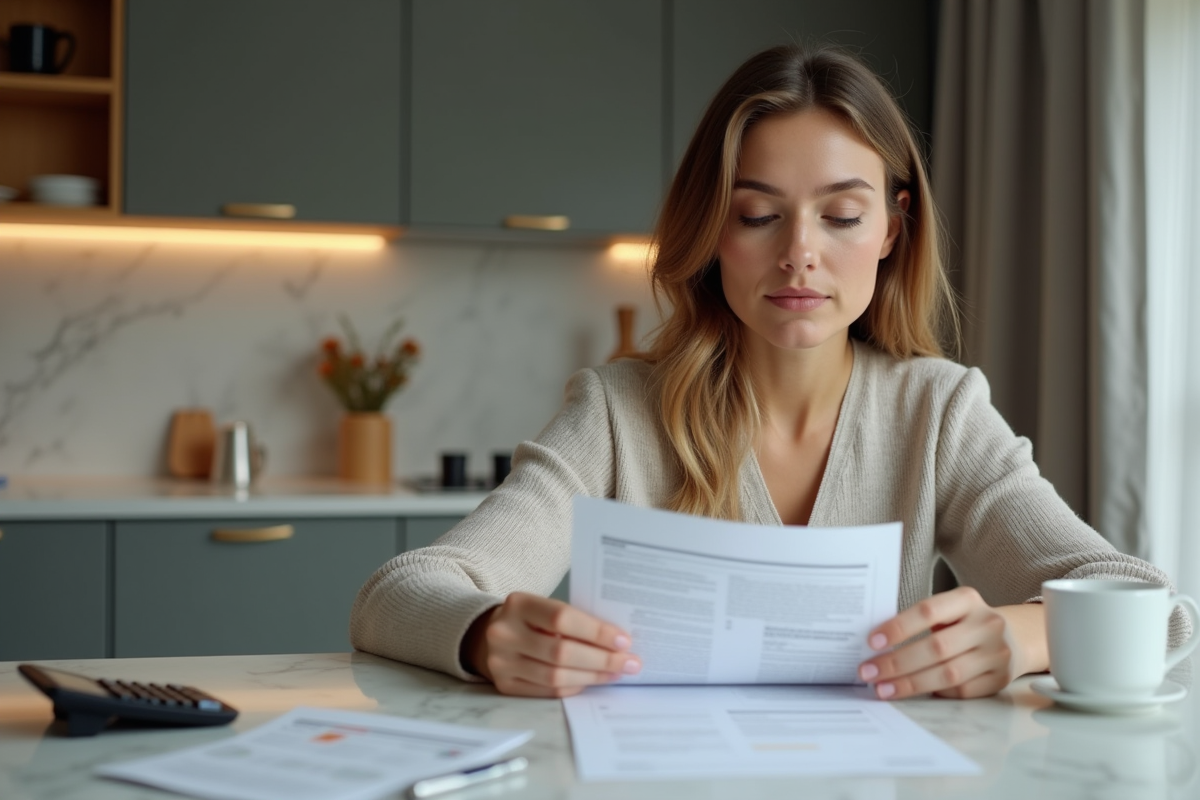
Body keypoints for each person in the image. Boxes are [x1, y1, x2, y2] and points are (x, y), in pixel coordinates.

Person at [351, 45, 1186, 700]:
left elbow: (1154, 607)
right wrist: (483, 635)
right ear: (713, 229)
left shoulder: (939, 413)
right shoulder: (618, 414)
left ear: (892, 230)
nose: (799, 255)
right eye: (757, 215)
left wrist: (1021, 638)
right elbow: (400, 592)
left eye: (842, 215)